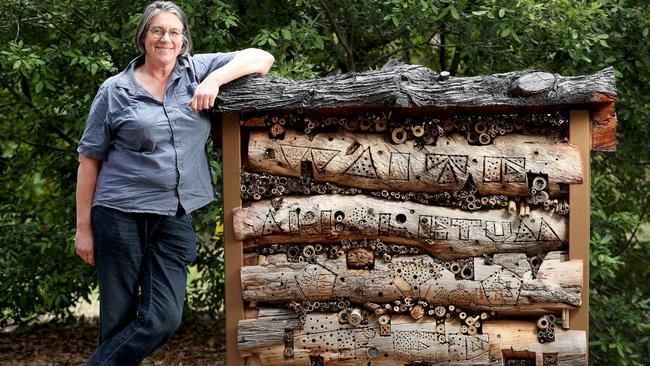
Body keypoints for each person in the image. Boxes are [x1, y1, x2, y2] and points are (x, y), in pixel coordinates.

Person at [74, 1, 274, 364]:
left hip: (174, 215)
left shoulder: (196, 71)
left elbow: (262, 57)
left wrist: (214, 80)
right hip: (119, 214)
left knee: (165, 318)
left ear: (183, 40)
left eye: (174, 32)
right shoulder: (115, 90)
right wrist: (83, 229)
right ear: (143, 37)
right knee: (117, 318)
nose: (166, 38)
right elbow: (89, 160)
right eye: (157, 31)